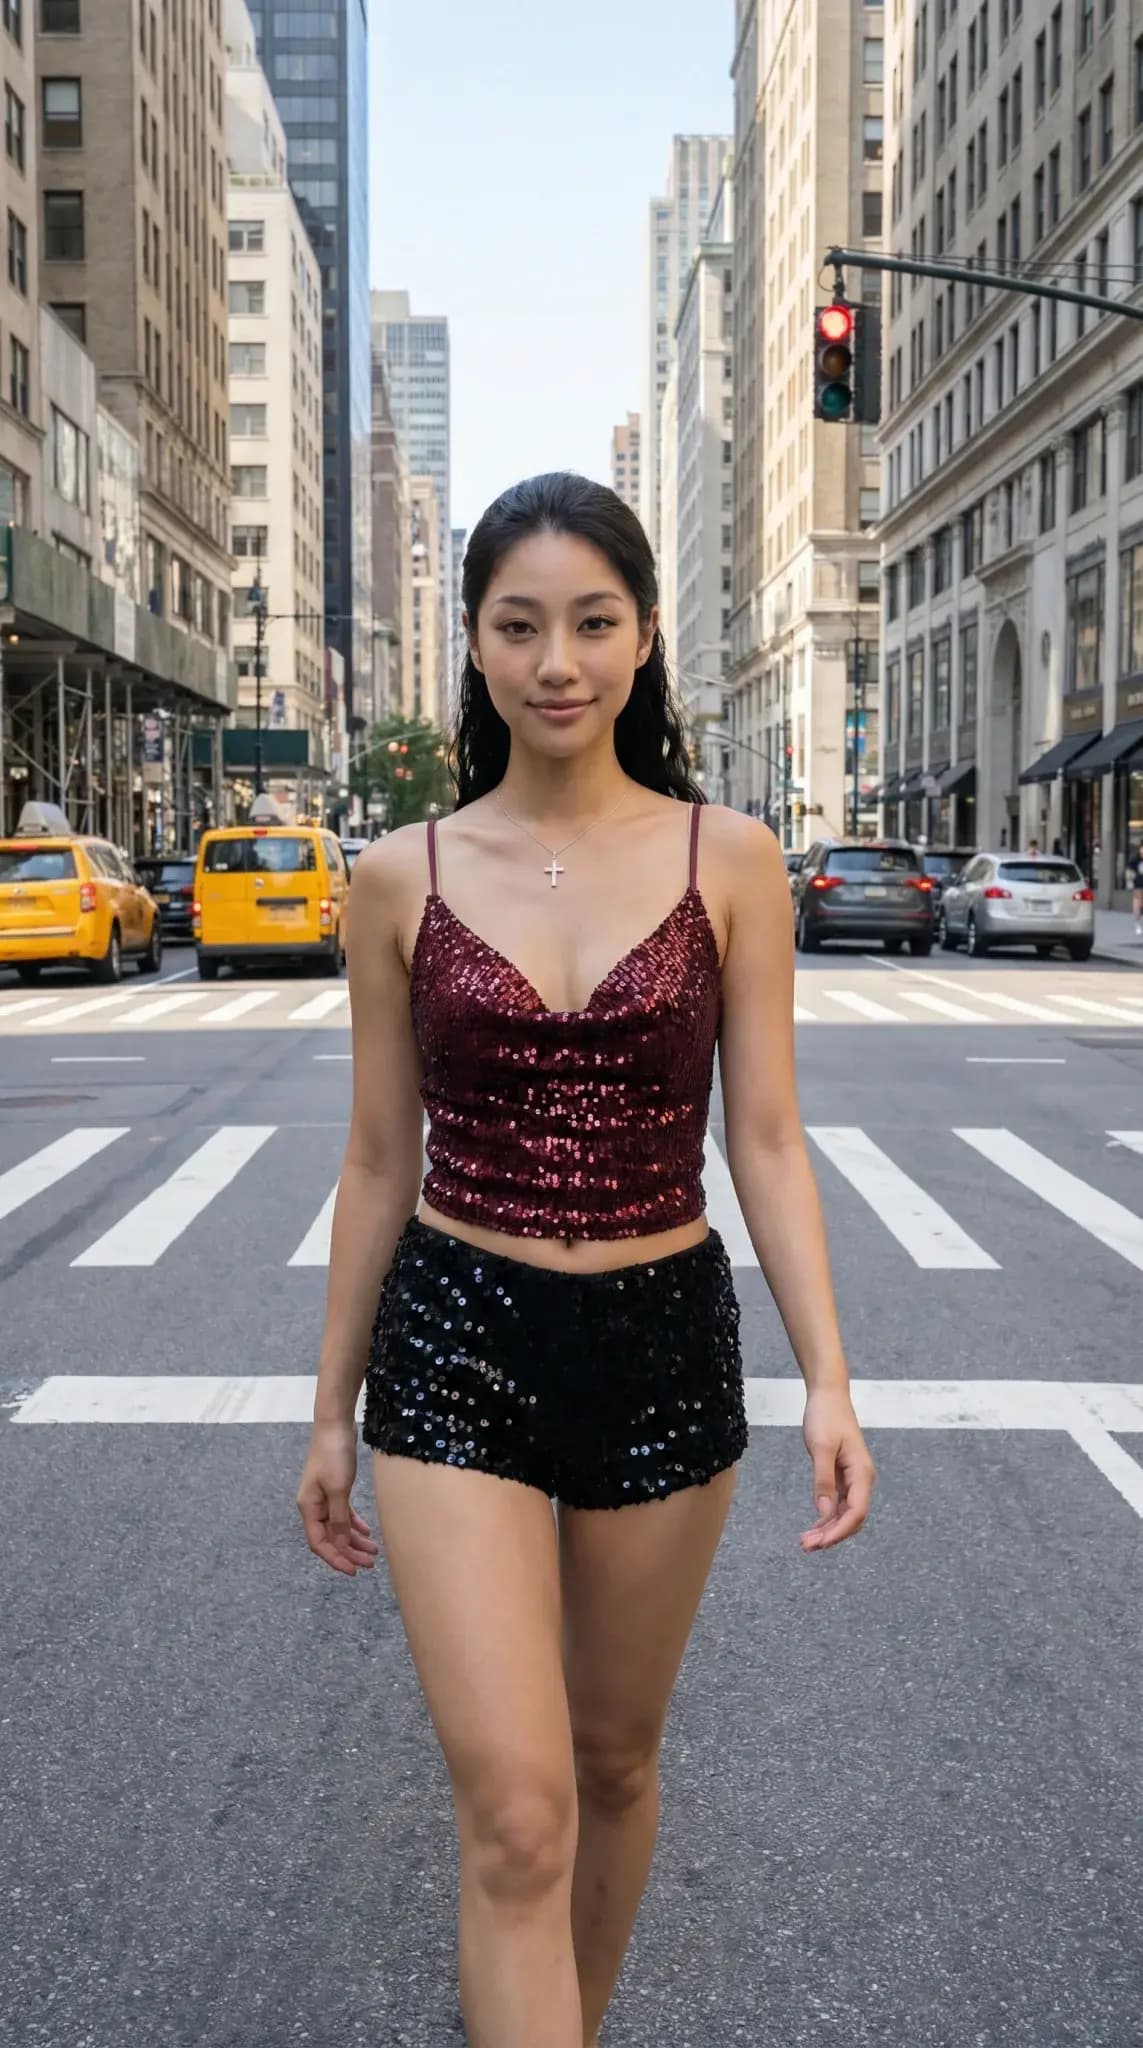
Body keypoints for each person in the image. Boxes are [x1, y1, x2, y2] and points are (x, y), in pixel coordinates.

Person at [296, 472, 876, 2048]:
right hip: (455, 1342)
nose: (558, 660)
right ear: (475, 650)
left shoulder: (732, 857)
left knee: (615, 1764)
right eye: (519, 625)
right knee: (519, 1813)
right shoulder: (400, 876)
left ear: (640, 642)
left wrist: (830, 1377)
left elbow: (766, 1138)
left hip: (661, 1342)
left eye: (592, 623)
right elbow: (373, 1159)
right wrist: (331, 1409)